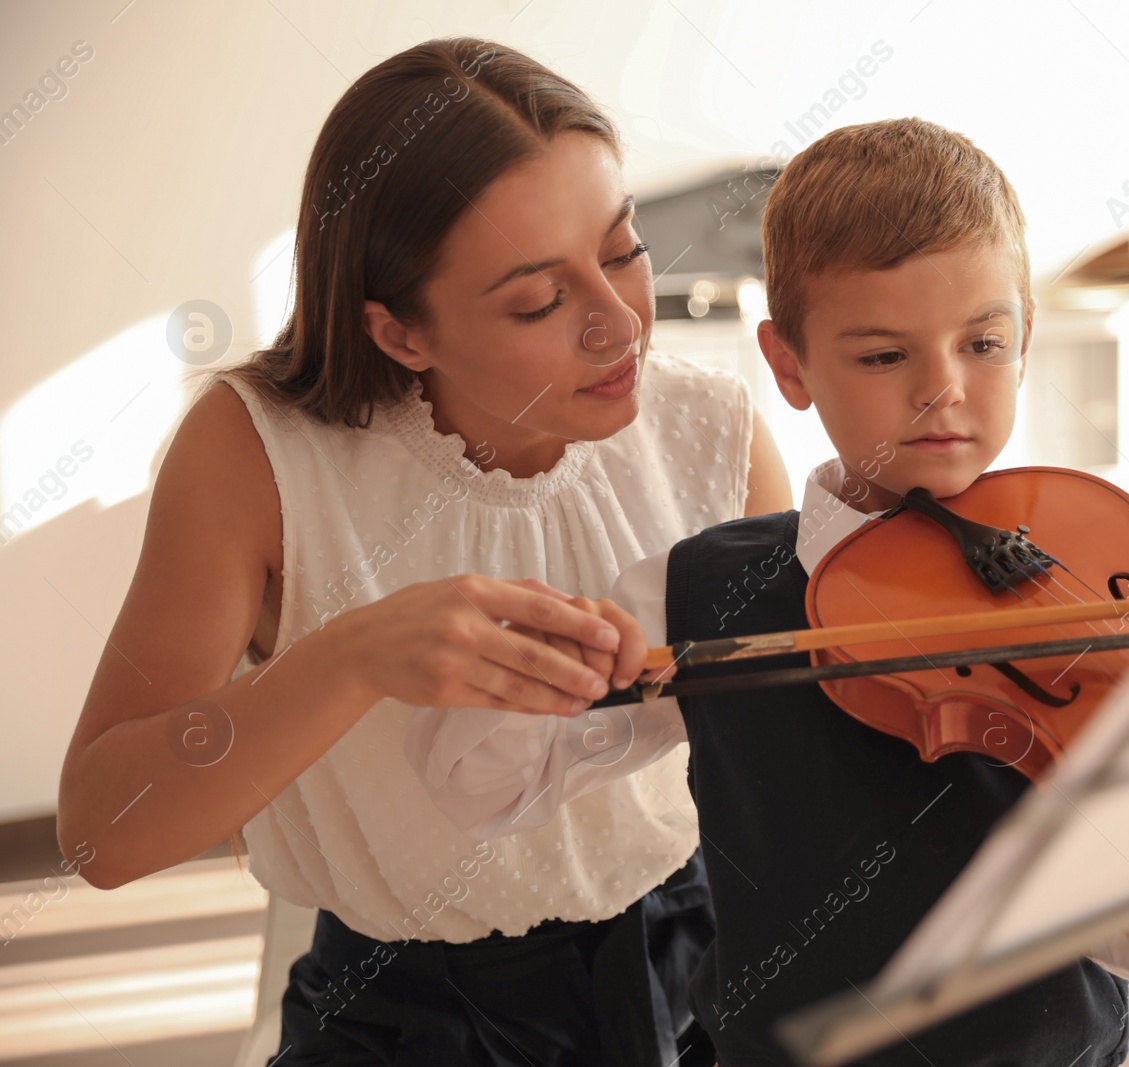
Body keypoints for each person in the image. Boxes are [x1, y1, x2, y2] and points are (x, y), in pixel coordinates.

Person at [412, 117, 1129, 1067]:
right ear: (788, 363)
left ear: (1025, 333)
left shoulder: (1092, 570)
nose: (940, 389)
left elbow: (1114, 892)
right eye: (881, 356)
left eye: (982, 342)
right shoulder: (704, 592)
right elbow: (476, 783)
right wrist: (551, 662)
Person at [56, 37, 790, 1067]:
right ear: (400, 332)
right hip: (406, 1012)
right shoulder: (258, 451)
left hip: (699, 967)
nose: (619, 322)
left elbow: (791, 748)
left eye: (623, 250)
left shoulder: (707, 426)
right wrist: (350, 657)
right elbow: (101, 832)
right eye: (540, 300)